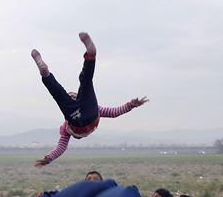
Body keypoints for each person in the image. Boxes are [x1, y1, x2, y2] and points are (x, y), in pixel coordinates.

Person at [31, 32, 148, 167]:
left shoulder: (66, 127)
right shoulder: (94, 110)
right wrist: (131, 105)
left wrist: (49, 159)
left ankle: (50, 71)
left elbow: (61, 147)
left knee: (71, 88)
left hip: (78, 118)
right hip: (89, 114)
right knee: (82, 83)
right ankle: (89, 56)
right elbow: (115, 112)